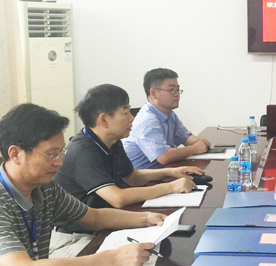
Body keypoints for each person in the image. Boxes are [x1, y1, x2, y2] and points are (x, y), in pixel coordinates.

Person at [0, 104, 166, 266]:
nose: (59, 162)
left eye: (61, 152)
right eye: (51, 154)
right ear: (15, 154)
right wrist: (113, 258)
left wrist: (146, 218)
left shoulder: (44, 187)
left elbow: (93, 217)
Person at [53, 84, 203, 233]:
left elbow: (134, 177)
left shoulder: (111, 141)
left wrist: (171, 172)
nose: (132, 118)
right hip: (79, 234)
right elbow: (118, 198)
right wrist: (170, 187)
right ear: (103, 120)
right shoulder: (83, 151)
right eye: (125, 113)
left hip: (109, 221)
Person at [123, 68, 211, 169]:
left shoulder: (169, 114)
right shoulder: (148, 120)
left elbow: (186, 138)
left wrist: (201, 143)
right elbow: (163, 156)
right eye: (171, 90)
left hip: (160, 171)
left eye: (177, 89)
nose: (176, 94)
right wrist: (194, 148)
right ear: (154, 93)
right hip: (142, 176)